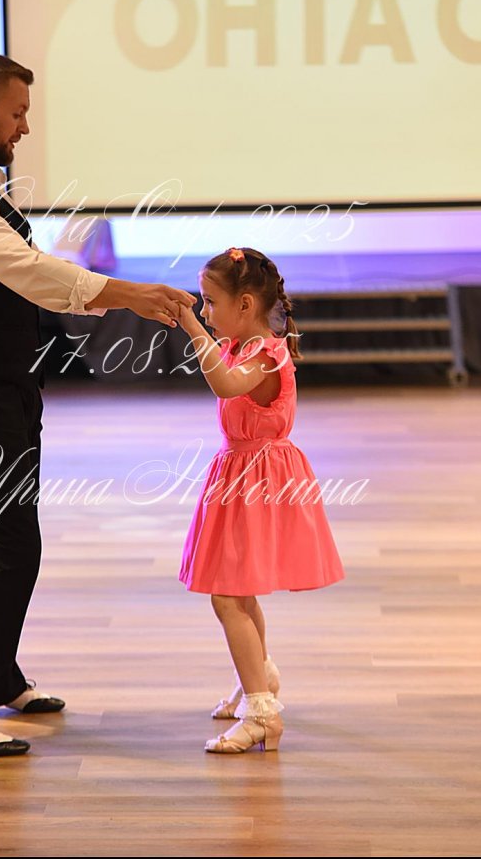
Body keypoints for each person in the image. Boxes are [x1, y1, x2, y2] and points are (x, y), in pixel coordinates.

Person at [0, 51, 196, 758]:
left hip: (0, 386)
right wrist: (131, 294)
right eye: (17, 113)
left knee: (6, 543)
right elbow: (32, 275)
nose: (25, 127)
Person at [176, 246, 345, 754]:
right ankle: (259, 677)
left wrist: (190, 326)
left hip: (259, 480)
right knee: (239, 591)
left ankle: (262, 712)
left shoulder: (266, 354)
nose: (205, 311)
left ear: (245, 304)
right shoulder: (241, 345)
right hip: (239, 475)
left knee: (227, 595)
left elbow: (225, 385)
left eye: (210, 302)